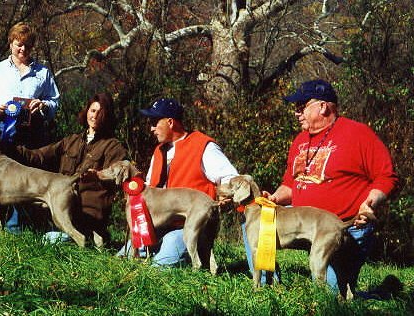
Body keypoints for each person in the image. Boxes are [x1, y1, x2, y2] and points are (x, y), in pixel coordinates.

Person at [261, 79, 397, 296]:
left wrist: (369, 203)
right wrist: (273, 198)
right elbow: (290, 184)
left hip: (344, 228)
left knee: (332, 296)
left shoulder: (358, 134)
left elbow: (386, 176)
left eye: (301, 106)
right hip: (305, 227)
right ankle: (270, 290)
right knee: (253, 223)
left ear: (322, 106)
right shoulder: (299, 141)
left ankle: (382, 293)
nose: (297, 113)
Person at [119, 98, 238, 266]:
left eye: (154, 122)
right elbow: (146, 189)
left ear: (170, 122)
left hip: (188, 227)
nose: (151, 128)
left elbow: (230, 178)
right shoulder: (158, 152)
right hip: (158, 226)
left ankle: (197, 261)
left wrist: (225, 198)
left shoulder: (203, 146)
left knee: (159, 267)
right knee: (123, 260)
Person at [11, 93, 127, 245]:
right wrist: (11, 149)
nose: (95, 116)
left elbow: (116, 175)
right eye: (92, 111)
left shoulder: (114, 146)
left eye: (101, 112)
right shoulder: (71, 141)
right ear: (86, 112)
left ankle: (93, 239)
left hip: (88, 216)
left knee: (50, 241)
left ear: (107, 116)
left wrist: (98, 175)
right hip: (62, 213)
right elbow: (39, 156)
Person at [0, 22, 60, 232]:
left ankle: (17, 229)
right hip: (2, 137)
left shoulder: (43, 73)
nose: (23, 49)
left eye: (27, 45)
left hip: (32, 138)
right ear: (11, 43)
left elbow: (54, 101)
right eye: (18, 44)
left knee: (23, 182)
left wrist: (43, 105)